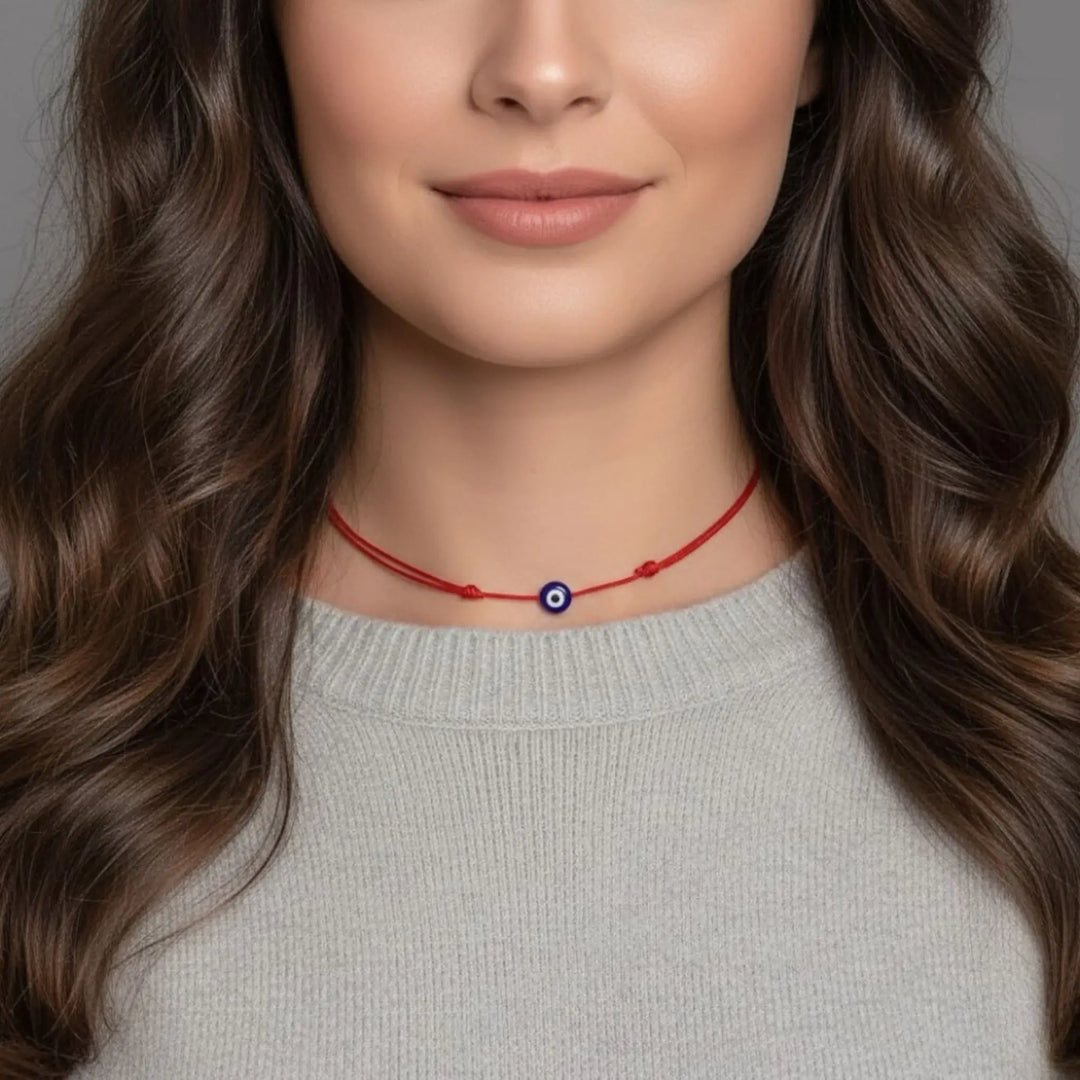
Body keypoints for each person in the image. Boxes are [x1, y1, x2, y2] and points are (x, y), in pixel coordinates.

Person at [0, 0, 1077, 1076]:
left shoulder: (1051, 759)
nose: (543, 69)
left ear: (827, 38)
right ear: (253, 29)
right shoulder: (36, 766)